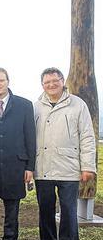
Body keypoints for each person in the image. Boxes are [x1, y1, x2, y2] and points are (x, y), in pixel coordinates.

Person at [34, 67, 97, 240]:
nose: (51, 84)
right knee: (45, 212)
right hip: (43, 168)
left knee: (69, 212)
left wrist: (88, 166)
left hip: (69, 169)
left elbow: (87, 136)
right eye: (47, 82)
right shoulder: (36, 107)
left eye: (55, 80)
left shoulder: (78, 104)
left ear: (63, 81)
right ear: (42, 85)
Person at [0, 68, 36, 240]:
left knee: (12, 214)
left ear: (8, 81)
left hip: (15, 167)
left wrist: (30, 167)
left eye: (1, 80)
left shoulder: (25, 105)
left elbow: (30, 138)